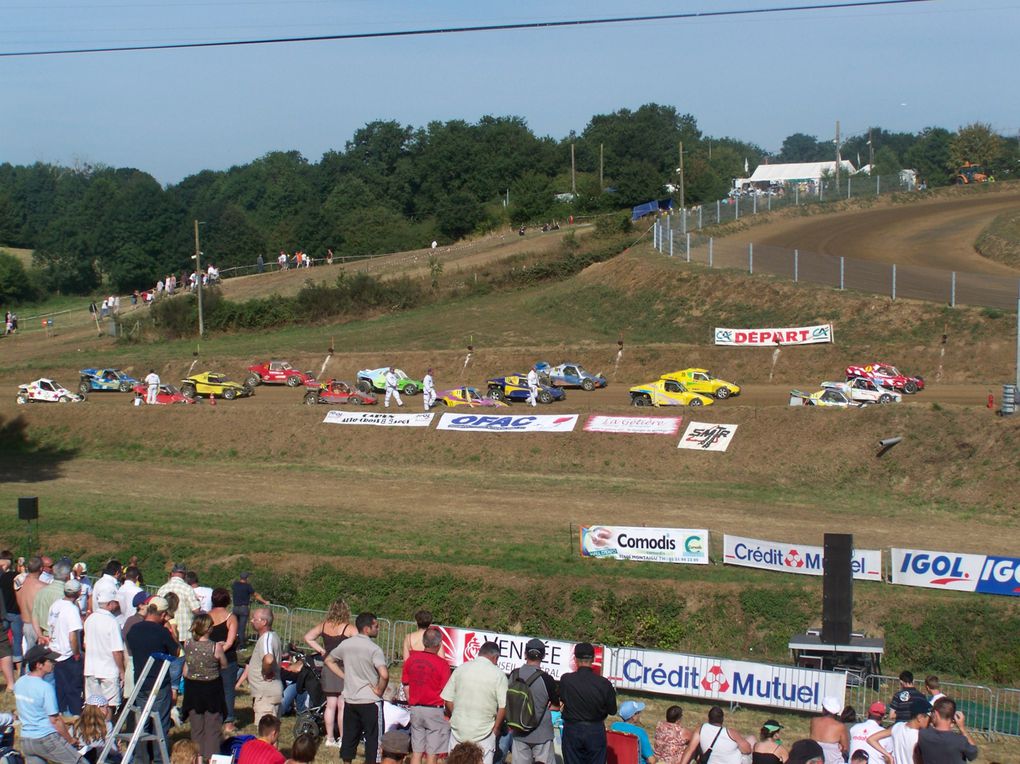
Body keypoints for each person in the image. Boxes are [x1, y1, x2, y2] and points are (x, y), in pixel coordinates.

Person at [326, 612, 389, 764]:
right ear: (367, 629)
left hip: (351, 699)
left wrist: (344, 676)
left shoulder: (346, 644)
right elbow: (385, 675)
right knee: (374, 739)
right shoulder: (374, 649)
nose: (378, 629)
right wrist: (379, 690)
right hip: (370, 701)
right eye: (376, 626)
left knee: (349, 737)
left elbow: (329, 660)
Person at [15, 644, 85, 764]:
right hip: (45, 739)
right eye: (50, 661)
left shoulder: (20, 682)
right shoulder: (45, 688)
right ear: (39, 665)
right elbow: (55, 720)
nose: (54, 663)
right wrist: (70, 740)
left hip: (26, 740)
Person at [441, 640, 506, 764]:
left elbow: (448, 699)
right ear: (495, 657)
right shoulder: (499, 675)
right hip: (484, 732)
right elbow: (503, 706)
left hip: (459, 729)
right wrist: (496, 728)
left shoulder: (461, 669)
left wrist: (455, 715)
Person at [303, 597, 357, 747]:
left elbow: (308, 637)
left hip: (328, 665)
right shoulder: (350, 628)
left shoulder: (324, 625)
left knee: (330, 705)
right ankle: (343, 738)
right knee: (342, 705)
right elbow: (360, 644)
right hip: (344, 667)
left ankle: (330, 738)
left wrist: (322, 650)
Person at [125, 596, 178, 745]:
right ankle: (159, 757)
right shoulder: (162, 632)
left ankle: (141, 757)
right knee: (160, 725)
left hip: (141, 681)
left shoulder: (134, 630)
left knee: (142, 724)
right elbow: (175, 653)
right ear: (162, 614)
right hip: (159, 682)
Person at [558, 642, 616, 764]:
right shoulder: (603, 683)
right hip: (594, 729)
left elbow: (561, 699)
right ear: (593, 659)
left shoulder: (566, 680)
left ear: (575, 659)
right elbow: (612, 710)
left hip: (572, 729)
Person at [402, 627, 451, 764]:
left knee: (417, 753)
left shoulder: (411, 660)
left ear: (424, 642)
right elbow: (446, 692)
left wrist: (411, 702)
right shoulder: (443, 664)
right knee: (432, 754)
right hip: (434, 710)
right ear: (439, 644)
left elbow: (406, 684)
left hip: (416, 708)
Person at [182, 614, 227, 762]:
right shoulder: (215, 647)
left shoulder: (188, 644)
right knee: (212, 727)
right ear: (208, 629)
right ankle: (212, 758)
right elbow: (224, 664)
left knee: (196, 727)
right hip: (211, 689)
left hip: (193, 689)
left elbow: (186, 668)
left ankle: (197, 757)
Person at [508, 638, 559, 764]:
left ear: (525, 654)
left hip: (519, 730)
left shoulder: (514, 675)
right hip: (542, 733)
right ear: (543, 656)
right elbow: (556, 706)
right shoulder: (547, 679)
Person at [237, 607, 283, 726]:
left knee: (265, 736)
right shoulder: (272, 636)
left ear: (264, 622)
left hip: (266, 695)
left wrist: (266, 672)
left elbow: (268, 659)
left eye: (255, 619)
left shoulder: (266, 638)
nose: (252, 621)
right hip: (268, 693)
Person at [83, 590, 125, 709]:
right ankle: (107, 726)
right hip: (108, 669)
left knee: (92, 705)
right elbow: (116, 650)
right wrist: (121, 670)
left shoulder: (90, 619)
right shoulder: (112, 622)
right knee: (109, 705)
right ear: (109, 604)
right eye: (115, 603)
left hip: (91, 668)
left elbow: (85, 644)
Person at [48, 578, 84, 715]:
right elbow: (72, 636)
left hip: (55, 651)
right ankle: (73, 716)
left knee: (60, 688)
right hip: (68, 654)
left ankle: (61, 713)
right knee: (73, 689)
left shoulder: (56, 605)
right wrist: (76, 654)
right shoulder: (72, 609)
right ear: (79, 593)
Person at [208, 587, 240, 733]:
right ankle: (228, 721)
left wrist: (211, 652)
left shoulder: (205, 617)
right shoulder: (231, 617)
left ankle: (212, 718)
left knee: (211, 689)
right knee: (228, 690)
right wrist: (220, 651)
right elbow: (230, 641)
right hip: (228, 658)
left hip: (208, 656)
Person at [866, 698, 931, 764]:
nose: (931, 722)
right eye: (929, 718)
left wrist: (888, 756)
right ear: (919, 717)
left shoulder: (898, 727)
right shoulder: (920, 736)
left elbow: (871, 739)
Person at [678, 706, 751, 764]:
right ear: (722, 719)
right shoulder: (731, 733)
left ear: (709, 718)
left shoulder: (701, 729)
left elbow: (690, 749)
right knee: (751, 741)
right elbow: (747, 750)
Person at [917, 697, 978, 763]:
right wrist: (962, 728)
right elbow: (973, 754)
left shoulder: (923, 735)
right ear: (953, 716)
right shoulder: (960, 740)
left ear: (936, 713)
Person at [157, 563, 201, 644]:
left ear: (172, 573)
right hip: (185, 633)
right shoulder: (188, 589)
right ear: (184, 575)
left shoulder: (162, 589)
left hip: (168, 632)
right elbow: (196, 610)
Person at [17, 557, 47, 656]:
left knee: (28, 654)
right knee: (35, 658)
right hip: (37, 626)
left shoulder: (19, 583)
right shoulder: (43, 587)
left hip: (25, 623)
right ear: (41, 569)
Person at [74, 694, 116, 762]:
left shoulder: (77, 723)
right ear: (101, 709)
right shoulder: (107, 725)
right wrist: (118, 750)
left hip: (79, 759)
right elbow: (111, 749)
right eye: (106, 707)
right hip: (98, 759)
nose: (108, 710)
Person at [232, 572, 269, 646]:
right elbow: (256, 595)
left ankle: (233, 642)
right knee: (242, 628)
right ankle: (241, 645)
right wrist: (265, 601)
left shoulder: (235, 585)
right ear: (247, 578)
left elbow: (239, 594)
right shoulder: (247, 586)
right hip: (243, 609)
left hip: (235, 608)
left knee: (234, 626)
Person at [0, 551, 22, 676]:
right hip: (16, 612)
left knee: (3, 641)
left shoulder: (1, 577)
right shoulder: (17, 577)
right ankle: (18, 667)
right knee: (17, 640)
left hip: (4, 613)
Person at [810, 697, 849, 764]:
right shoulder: (840, 726)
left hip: (815, 758)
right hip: (832, 760)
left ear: (824, 710)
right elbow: (845, 747)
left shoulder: (814, 721)